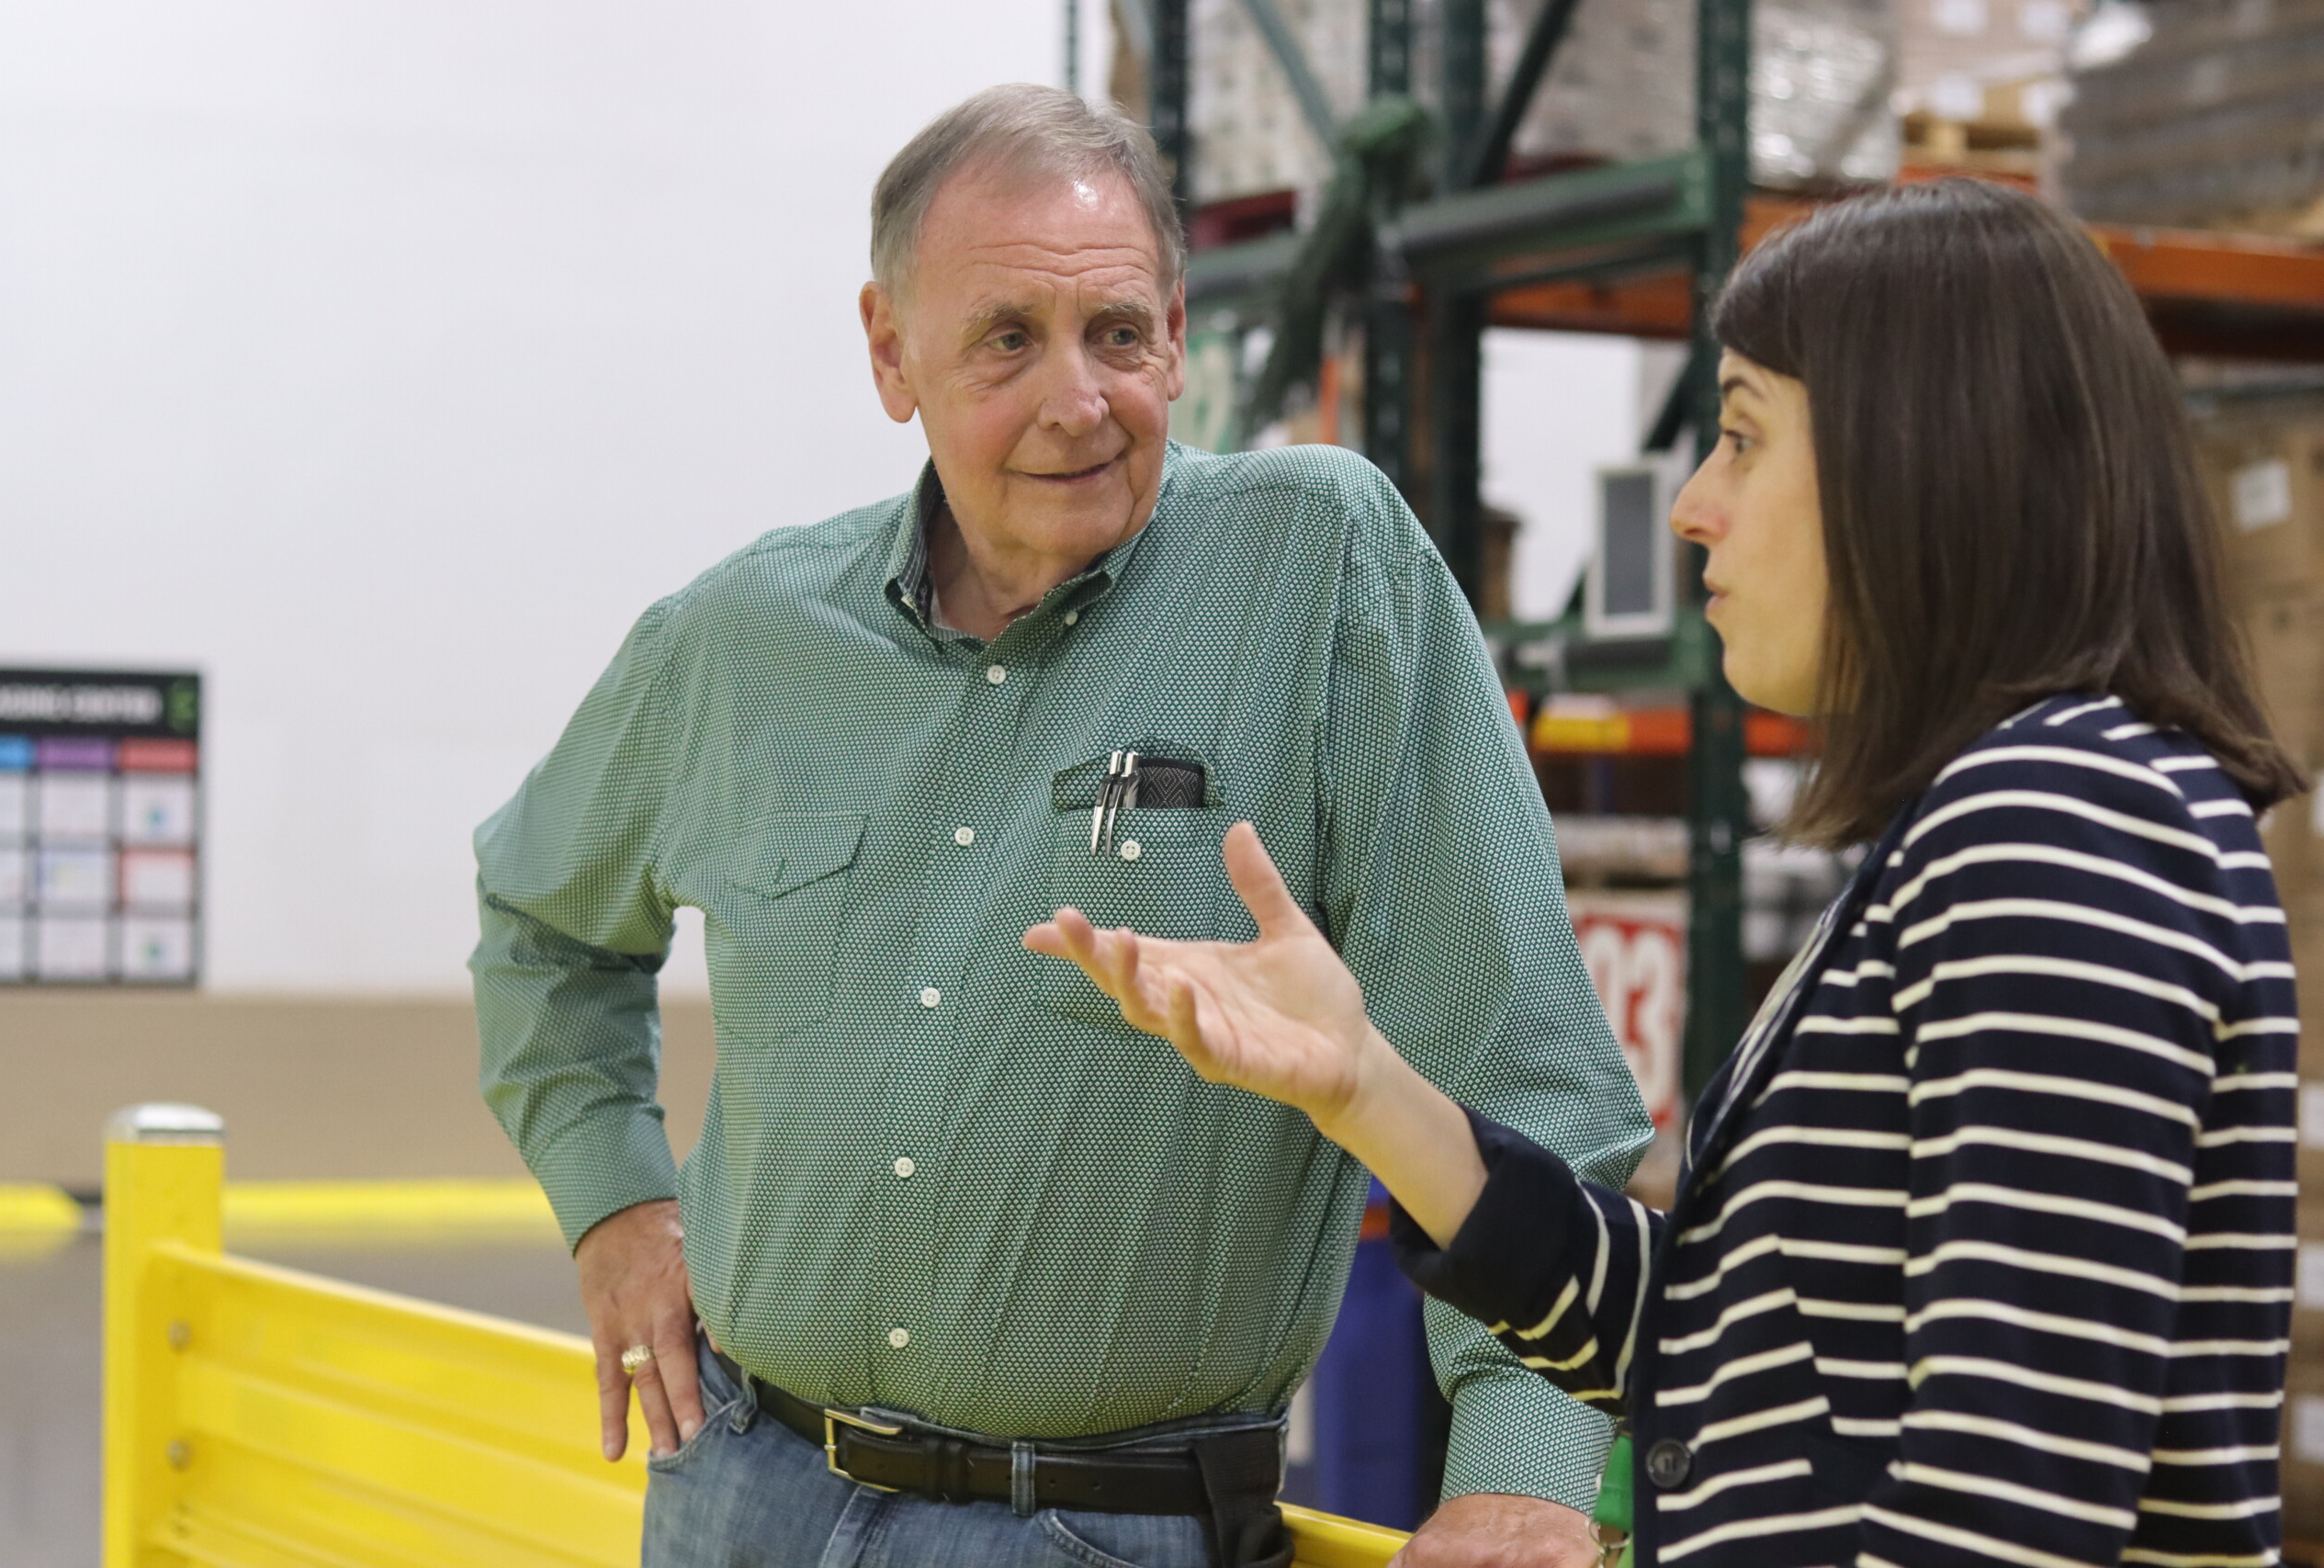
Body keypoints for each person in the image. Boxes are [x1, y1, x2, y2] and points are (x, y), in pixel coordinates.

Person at [1030, 177, 2306, 1568]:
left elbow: (2005, 1510)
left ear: (1925, 458)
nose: (1693, 502)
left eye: (1747, 437)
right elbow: (1725, 1357)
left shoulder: (2058, 832)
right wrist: (1365, 1087)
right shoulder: (2008, 822)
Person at [470, 84, 1652, 1568]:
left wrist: (1520, 1477)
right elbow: (538, 924)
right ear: (891, 352)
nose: (1077, 401)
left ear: (1176, 325)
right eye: (1007, 340)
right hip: (740, 1496)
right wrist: (617, 1205)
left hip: (1109, 1531)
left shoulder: (1320, 575)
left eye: (1119, 335)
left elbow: (1523, 1065)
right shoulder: (737, 642)